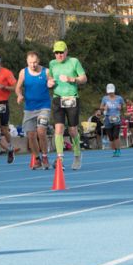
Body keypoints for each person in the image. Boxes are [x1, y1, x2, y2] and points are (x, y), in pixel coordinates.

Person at [47, 40, 87, 170]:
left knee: (72, 130)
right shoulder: (52, 64)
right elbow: (50, 79)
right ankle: (60, 158)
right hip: (57, 98)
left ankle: (77, 155)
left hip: (71, 99)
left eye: (61, 52)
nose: (59, 55)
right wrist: (49, 83)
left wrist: (72, 79)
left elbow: (84, 78)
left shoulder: (74, 62)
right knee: (58, 129)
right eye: (56, 53)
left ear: (66, 51)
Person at [16, 51, 53, 169]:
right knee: (31, 135)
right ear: (27, 62)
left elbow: (52, 82)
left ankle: (45, 157)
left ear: (39, 61)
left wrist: (51, 83)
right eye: (31, 62)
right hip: (29, 108)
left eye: (35, 62)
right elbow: (18, 87)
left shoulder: (46, 71)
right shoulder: (23, 72)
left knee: (41, 132)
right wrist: (19, 95)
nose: (33, 65)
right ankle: (37, 158)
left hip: (44, 107)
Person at [96, 83, 126, 157]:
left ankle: (118, 150)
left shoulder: (119, 98)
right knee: (111, 137)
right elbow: (101, 107)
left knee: (116, 135)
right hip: (108, 119)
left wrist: (120, 107)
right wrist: (104, 108)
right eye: (109, 92)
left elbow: (124, 105)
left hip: (116, 118)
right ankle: (114, 150)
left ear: (114, 91)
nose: (110, 93)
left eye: (111, 92)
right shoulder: (105, 98)